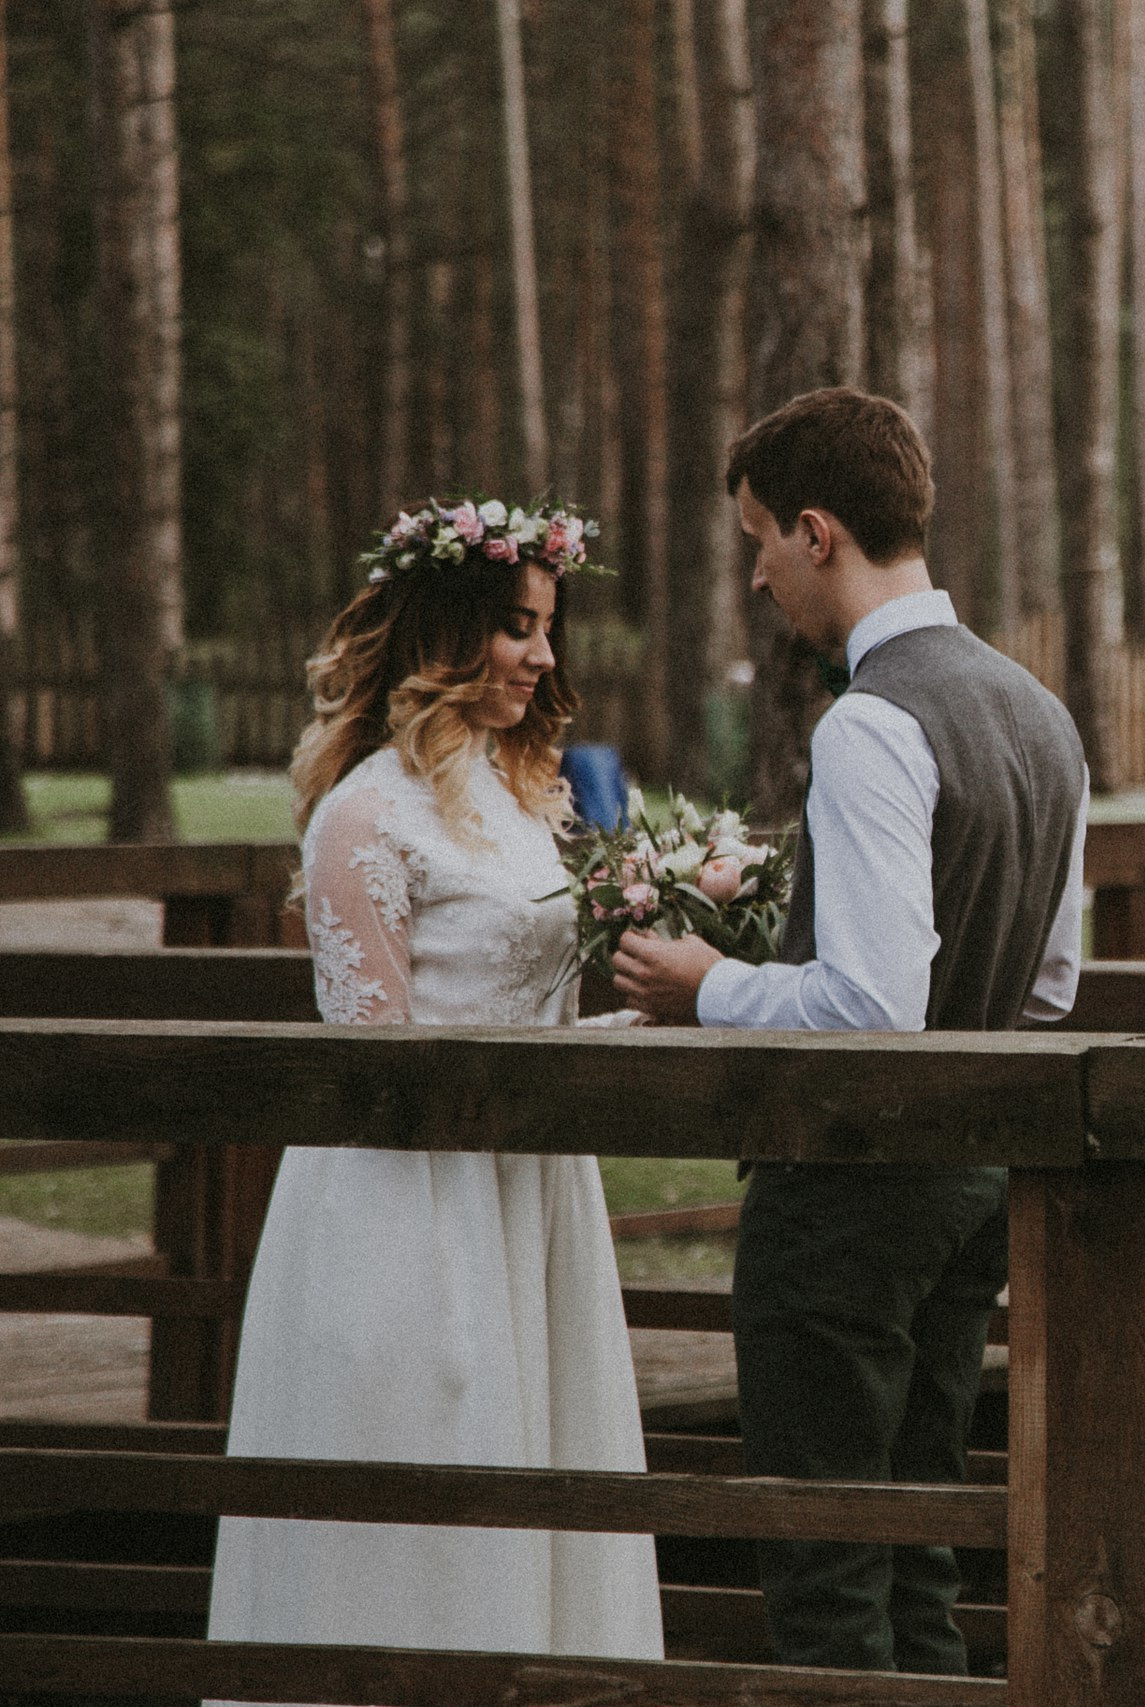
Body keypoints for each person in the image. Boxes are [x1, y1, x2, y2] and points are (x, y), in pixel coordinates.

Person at [614, 388, 1086, 1675]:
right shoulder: (1040, 714)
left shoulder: (873, 724)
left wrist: (707, 982)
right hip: (972, 1184)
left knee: (823, 1558)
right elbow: (1049, 987)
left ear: (819, 532)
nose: (759, 576)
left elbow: (872, 1007)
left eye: (761, 539)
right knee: (920, 1546)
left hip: (844, 1203)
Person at [205, 501, 664, 1688]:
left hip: (534, 1195)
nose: (544, 657)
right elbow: (378, 1071)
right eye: (518, 628)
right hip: (414, 1208)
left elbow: (540, 995)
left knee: (547, 1481)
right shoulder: (365, 817)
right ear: (446, 634)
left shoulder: (527, 799)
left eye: (547, 628)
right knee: (433, 1473)